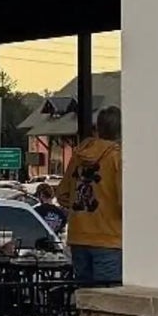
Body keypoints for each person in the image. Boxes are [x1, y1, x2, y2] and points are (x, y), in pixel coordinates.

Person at [56, 105, 123, 287]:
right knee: (106, 301)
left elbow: (62, 193)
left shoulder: (79, 155)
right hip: (109, 239)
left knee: (85, 298)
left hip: (78, 236)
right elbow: (125, 201)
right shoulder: (118, 157)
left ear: (98, 128)